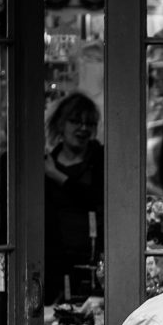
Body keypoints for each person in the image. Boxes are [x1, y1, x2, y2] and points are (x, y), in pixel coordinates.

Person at [44, 92, 104, 304]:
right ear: (61, 124)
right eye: (75, 121)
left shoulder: (100, 158)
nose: (83, 128)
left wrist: (57, 176)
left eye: (89, 123)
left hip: (93, 261)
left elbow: (96, 197)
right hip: (55, 262)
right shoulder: (46, 162)